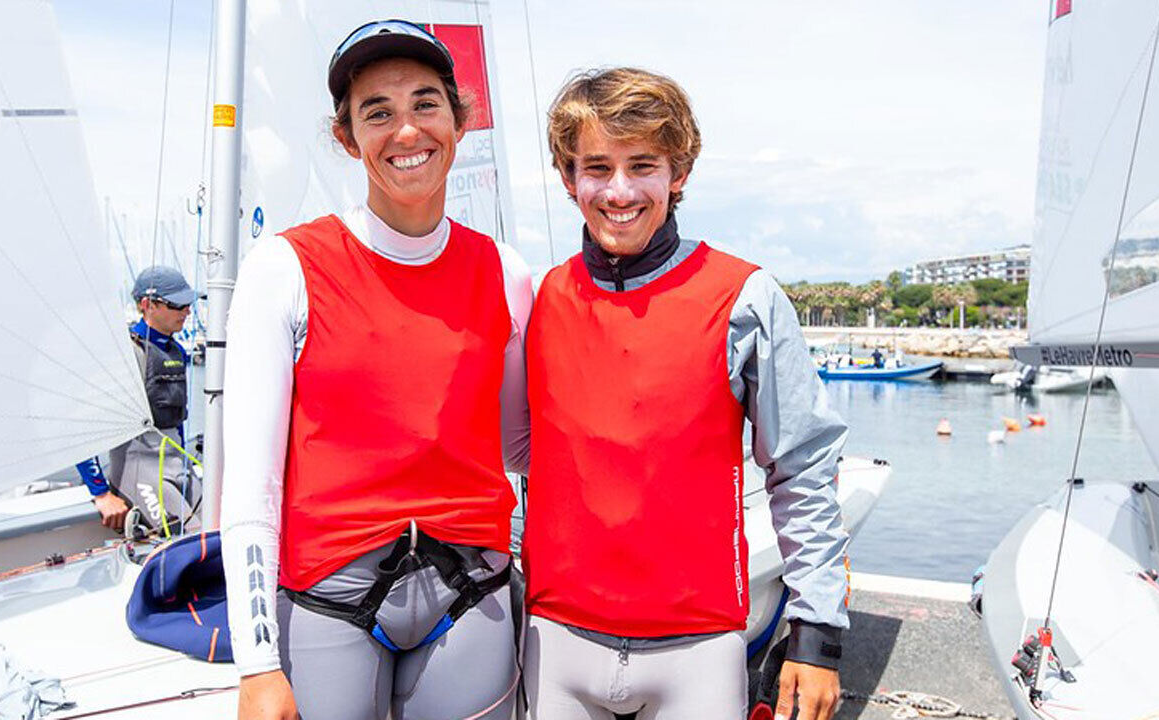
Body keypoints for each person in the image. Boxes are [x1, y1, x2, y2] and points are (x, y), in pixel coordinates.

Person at [221, 20, 532, 720]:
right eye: (377, 112)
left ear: (459, 120)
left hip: (471, 595)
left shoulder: (506, 273)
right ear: (346, 137)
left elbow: (521, 447)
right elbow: (251, 485)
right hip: (329, 601)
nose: (406, 131)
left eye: (425, 104)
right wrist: (257, 666)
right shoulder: (286, 267)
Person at [521, 68, 849, 720]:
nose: (618, 191)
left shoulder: (745, 298)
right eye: (596, 167)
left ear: (679, 171)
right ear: (567, 178)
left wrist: (816, 639)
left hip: (696, 649)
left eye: (641, 164)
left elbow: (803, 469)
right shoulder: (539, 301)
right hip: (556, 642)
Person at [74, 265, 199, 532]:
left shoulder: (176, 351)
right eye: (178, 305)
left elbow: (175, 422)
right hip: (140, 472)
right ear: (147, 304)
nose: (187, 311)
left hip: (177, 467)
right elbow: (80, 426)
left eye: (188, 304)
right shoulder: (126, 355)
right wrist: (101, 494)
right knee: (193, 541)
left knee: (221, 531)